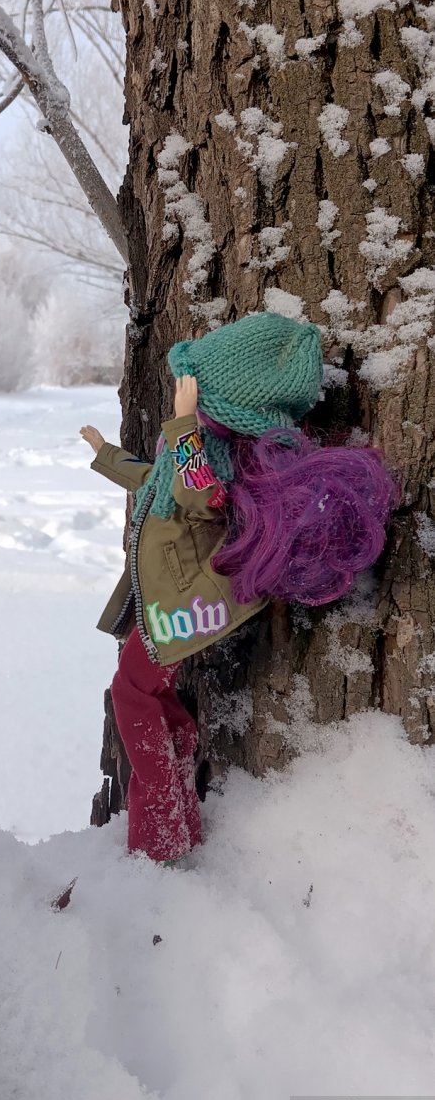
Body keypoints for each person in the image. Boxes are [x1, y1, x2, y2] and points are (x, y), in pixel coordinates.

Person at [80, 313, 395, 864]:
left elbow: (197, 493)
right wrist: (106, 454)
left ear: (223, 395)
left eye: (193, 383)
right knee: (155, 700)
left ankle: (157, 840)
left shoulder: (211, 453)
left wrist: (183, 427)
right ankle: (178, 813)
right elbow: (157, 478)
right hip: (171, 598)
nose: (182, 389)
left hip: (183, 602)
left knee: (134, 694)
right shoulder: (194, 447)